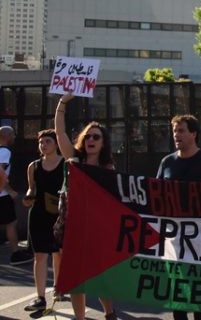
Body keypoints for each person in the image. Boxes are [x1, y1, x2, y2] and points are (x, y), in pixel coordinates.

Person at [55, 93, 117, 320]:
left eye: (96, 137)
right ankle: (80, 318)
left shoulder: (107, 169)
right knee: (75, 278)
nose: (91, 139)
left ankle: (109, 312)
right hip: (71, 227)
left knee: (99, 277)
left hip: (97, 230)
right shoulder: (74, 159)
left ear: (103, 143)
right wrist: (62, 103)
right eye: (88, 136)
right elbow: (60, 133)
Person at [157, 115, 201, 320]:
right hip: (175, 238)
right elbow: (155, 194)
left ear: (194, 133)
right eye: (175, 131)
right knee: (177, 285)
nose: (177, 135)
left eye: (182, 130)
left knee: (197, 286)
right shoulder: (167, 162)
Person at [23, 129, 65, 311]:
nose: (43, 145)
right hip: (38, 213)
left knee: (58, 253)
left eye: (47, 141)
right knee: (39, 255)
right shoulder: (33, 166)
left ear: (56, 144)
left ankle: (58, 286)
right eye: (41, 142)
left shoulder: (66, 165)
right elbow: (31, 189)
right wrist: (27, 198)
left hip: (59, 214)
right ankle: (40, 297)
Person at [0, 125, 32, 266]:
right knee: (11, 223)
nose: (14, 137)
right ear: (6, 136)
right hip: (2, 195)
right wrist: (9, 189)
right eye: (12, 134)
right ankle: (15, 254)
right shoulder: (5, 151)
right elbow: (0, 172)